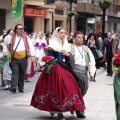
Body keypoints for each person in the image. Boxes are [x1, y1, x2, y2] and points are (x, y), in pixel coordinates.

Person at [31, 27, 85, 120]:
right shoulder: (52, 45)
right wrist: (53, 62)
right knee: (56, 89)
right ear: (57, 34)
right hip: (54, 69)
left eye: (64, 33)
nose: (63, 35)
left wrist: (67, 55)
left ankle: (70, 107)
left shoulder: (66, 45)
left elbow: (69, 59)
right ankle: (59, 111)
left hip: (65, 68)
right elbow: (49, 58)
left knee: (69, 88)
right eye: (61, 33)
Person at [69, 31, 96, 118]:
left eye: (82, 37)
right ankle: (79, 110)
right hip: (73, 72)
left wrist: (92, 73)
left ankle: (74, 105)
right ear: (74, 39)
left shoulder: (86, 48)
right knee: (76, 91)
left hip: (84, 72)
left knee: (84, 90)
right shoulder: (70, 47)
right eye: (79, 37)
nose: (81, 39)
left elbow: (92, 61)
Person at [4, 24, 35, 93]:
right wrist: (9, 34)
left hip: (23, 58)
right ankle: (14, 87)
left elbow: (31, 47)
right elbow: (5, 42)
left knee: (22, 73)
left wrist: (32, 55)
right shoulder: (11, 37)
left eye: (22, 29)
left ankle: (21, 88)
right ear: (16, 30)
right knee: (15, 72)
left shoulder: (26, 37)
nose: (21, 30)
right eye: (19, 29)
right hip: (14, 58)